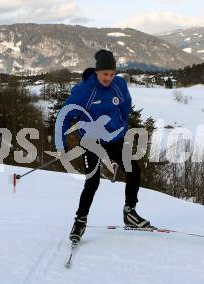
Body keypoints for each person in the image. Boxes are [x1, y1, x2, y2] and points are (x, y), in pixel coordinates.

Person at [56, 49, 152, 243]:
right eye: (105, 74)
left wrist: (122, 122)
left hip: (115, 138)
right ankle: (80, 221)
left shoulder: (119, 84)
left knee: (133, 170)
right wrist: (61, 144)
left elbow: (126, 104)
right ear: (96, 72)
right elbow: (65, 116)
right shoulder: (84, 90)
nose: (109, 78)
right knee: (92, 181)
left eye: (112, 73)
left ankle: (130, 212)